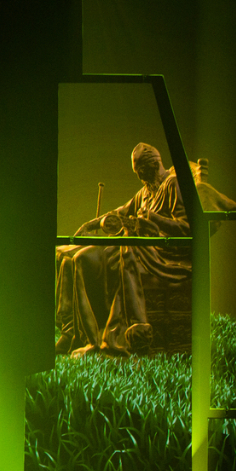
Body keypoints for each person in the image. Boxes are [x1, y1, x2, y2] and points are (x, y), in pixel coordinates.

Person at [55, 143, 192, 357]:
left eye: (142, 171)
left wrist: (153, 219)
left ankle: (115, 338)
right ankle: (79, 336)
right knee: (79, 258)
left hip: (162, 254)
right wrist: (92, 224)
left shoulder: (173, 185)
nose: (140, 177)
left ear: (155, 164)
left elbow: (186, 228)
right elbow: (120, 212)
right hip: (137, 247)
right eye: (137, 172)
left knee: (123, 252)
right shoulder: (145, 193)